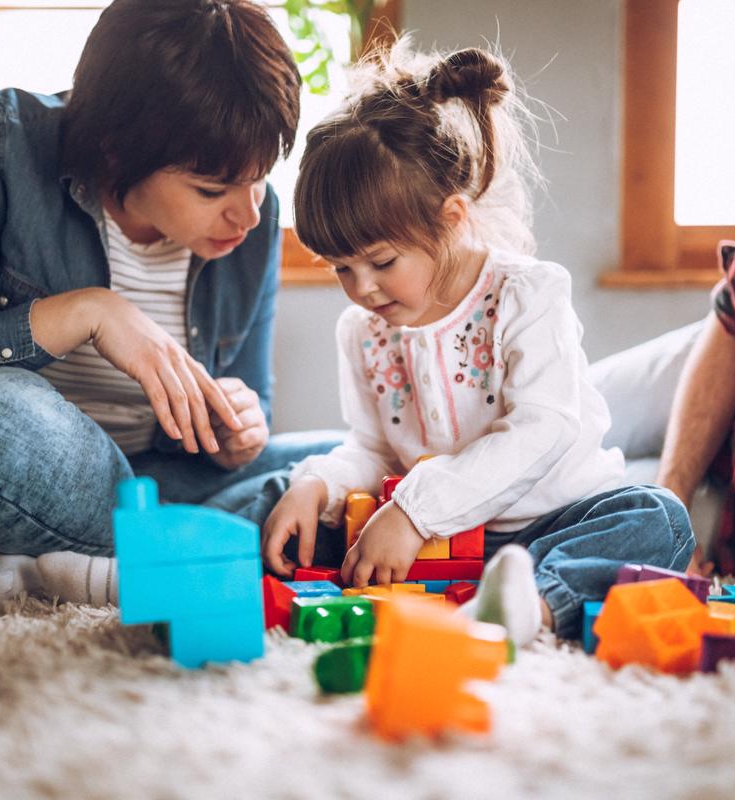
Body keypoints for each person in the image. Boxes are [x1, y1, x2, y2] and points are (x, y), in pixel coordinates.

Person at [258, 41, 696, 645]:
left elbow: (546, 428)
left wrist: (415, 512)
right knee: (290, 505)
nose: (360, 288)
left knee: (659, 520)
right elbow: (372, 448)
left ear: (452, 218)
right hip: (436, 542)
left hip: (551, 524)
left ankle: (530, 603)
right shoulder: (362, 331)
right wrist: (320, 485)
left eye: (381, 261)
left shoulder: (527, 294)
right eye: (339, 268)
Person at [0, 0, 341, 606]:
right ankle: (181, 554)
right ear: (116, 150)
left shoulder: (255, 215)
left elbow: (250, 405)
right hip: (43, 463)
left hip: (161, 480)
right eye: (211, 189)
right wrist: (88, 312)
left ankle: (64, 566)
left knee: (347, 464)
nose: (249, 214)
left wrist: (237, 435)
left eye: (260, 179)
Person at [656, 30, 735, 579]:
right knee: (574, 428)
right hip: (716, 383)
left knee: (591, 497)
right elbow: (733, 328)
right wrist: (669, 502)